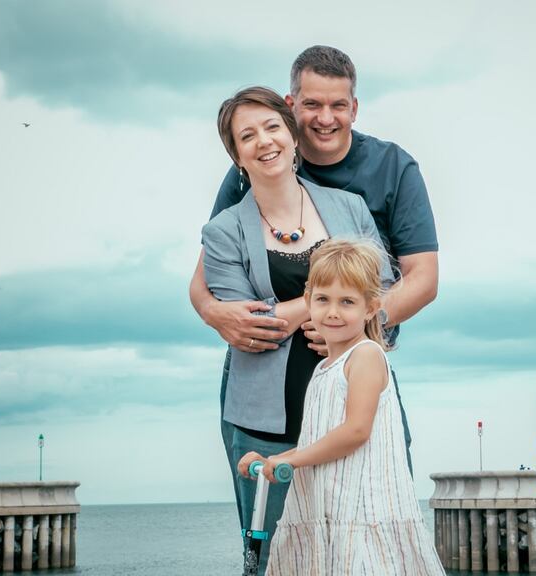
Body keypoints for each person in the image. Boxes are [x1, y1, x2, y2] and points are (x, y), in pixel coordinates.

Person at [189, 43, 439, 528]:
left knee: (380, 529)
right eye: (312, 105)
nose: (325, 118)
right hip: (267, 395)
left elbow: (421, 280)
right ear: (292, 105)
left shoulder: (388, 171)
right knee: (274, 541)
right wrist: (212, 312)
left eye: (337, 105)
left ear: (354, 108)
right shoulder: (248, 171)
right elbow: (208, 274)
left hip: (357, 377)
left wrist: (346, 328)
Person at [201, 86, 394, 574]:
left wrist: (307, 314)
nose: (264, 141)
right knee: (273, 558)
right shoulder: (223, 231)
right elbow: (250, 325)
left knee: (361, 553)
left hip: (351, 412)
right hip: (265, 423)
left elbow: (383, 287)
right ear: (237, 156)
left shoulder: (349, 207)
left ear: (291, 135)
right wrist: (326, 303)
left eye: (272, 127)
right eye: (247, 136)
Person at [238, 239, 444, 575]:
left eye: (347, 301)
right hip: (328, 511)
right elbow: (318, 442)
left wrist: (290, 460)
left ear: (370, 307)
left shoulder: (365, 356)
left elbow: (355, 431)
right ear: (308, 301)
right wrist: (272, 460)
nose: (333, 311)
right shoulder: (323, 369)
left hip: (363, 512)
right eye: (323, 299)